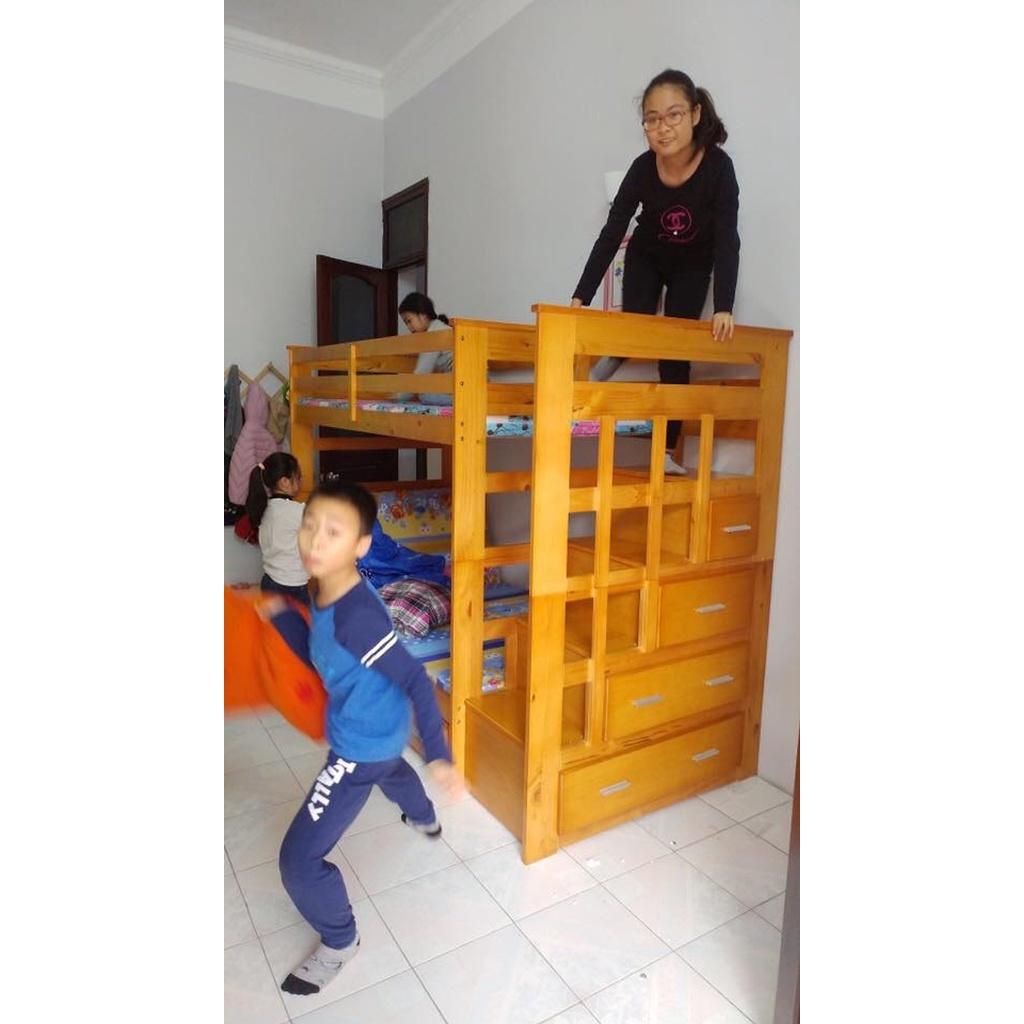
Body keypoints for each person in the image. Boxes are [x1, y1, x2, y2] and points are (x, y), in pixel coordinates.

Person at [265, 480, 463, 996]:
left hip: (361, 745)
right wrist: (284, 619)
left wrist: (439, 756)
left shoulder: (358, 617)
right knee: (393, 768)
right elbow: (323, 654)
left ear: (362, 545)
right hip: (382, 727)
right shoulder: (323, 587)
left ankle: (340, 941)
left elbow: (415, 679)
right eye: (309, 526)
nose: (315, 541)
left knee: (298, 862)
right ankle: (422, 815)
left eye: (333, 532)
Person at [571, 68, 740, 475]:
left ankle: (665, 451)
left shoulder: (718, 168)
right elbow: (613, 231)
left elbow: (726, 239)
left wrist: (724, 305)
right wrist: (581, 295)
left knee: (675, 349)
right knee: (634, 326)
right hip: (648, 253)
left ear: (695, 114)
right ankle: (585, 388)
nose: (663, 128)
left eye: (673, 115)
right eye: (652, 119)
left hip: (693, 263)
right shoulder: (642, 168)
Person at [245, 452, 310, 605]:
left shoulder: (263, 507)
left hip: (269, 581)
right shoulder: (296, 511)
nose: (301, 481)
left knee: (274, 621)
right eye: (298, 477)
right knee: (300, 620)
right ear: (284, 482)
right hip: (292, 585)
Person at [397, 291, 453, 405]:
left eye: (409, 320)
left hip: (464, 385)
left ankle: (461, 401)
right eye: (406, 323)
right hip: (473, 383)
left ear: (423, 315)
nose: (408, 327)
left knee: (424, 395)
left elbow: (421, 372)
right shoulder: (441, 328)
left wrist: (400, 397)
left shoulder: (434, 335)